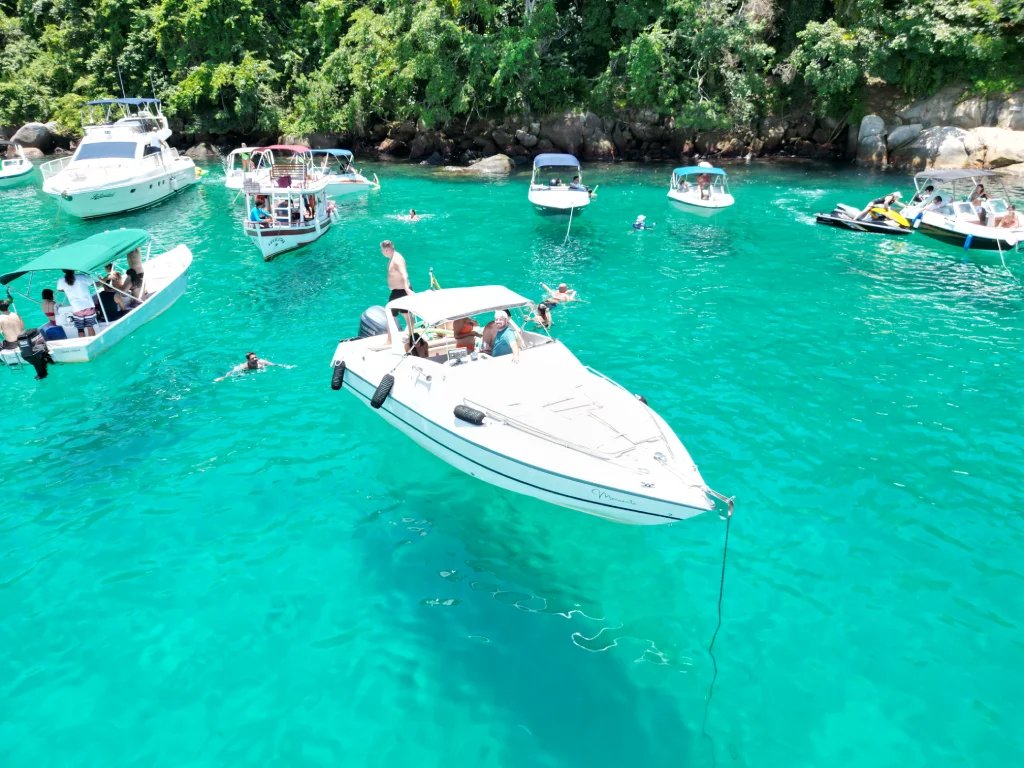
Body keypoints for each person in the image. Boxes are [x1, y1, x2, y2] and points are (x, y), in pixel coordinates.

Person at [382, 240, 413, 343]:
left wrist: (406, 288)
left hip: (401, 291)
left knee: (397, 316)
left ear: (386, 249)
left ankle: (390, 341)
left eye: (382, 251)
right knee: (401, 316)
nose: (382, 253)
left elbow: (404, 274)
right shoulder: (393, 258)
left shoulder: (397, 259)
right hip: (396, 292)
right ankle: (407, 337)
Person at [56, 269, 97, 338]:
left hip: (76, 308)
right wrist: (107, 278)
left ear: (63, 271)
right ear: (73, 269)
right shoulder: (82, 276)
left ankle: (83, 343)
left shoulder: (61, 280)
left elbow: (59, 289)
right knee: (90, 327)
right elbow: (96, 284)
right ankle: (92, 342)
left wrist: (67, 289)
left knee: (80, 330)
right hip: (88, 306)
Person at [215, 352, 294, 381]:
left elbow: (273, 365)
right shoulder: (244, 366)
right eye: (253, 358)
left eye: (256, 357)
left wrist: (285, 366)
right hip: (247, 371)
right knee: (240, 375)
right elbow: (231, 371)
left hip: (257, 370)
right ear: (248, 360)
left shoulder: (262, 362)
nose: (255, 359)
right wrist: (224, 377)